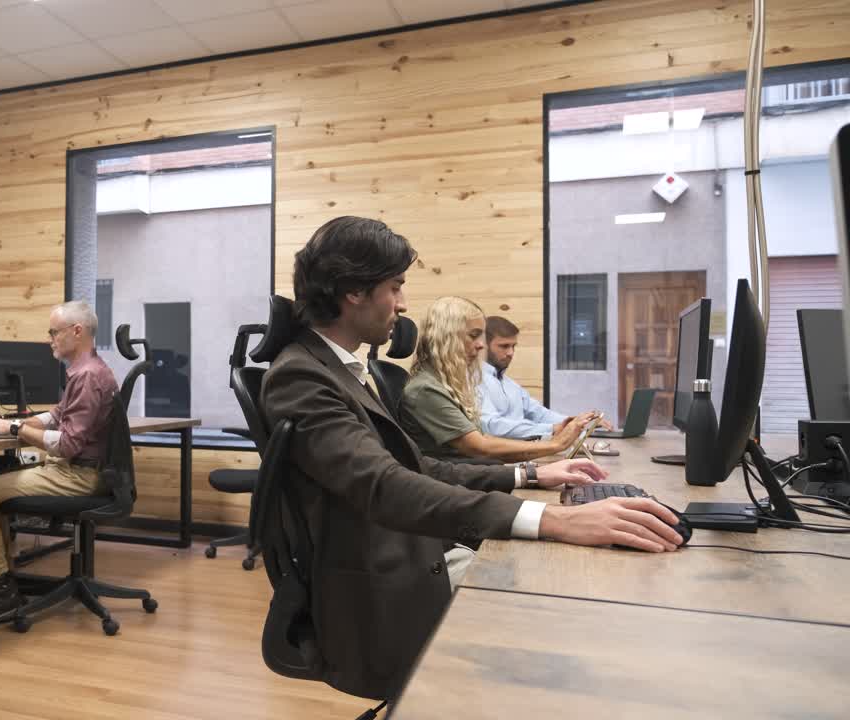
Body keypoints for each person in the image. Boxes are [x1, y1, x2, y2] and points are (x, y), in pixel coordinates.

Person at [259, 215, 686, 700]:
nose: (403, 304)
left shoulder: (345, 369)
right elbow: (385, 487)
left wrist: (529, 473)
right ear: (354, 290)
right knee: (574, 607)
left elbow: (418, 466)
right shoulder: (301, 378)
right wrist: (552, 520)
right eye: (395, 287)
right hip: (380, 589)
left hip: (415, 552)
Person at [0, 300, 118, 630]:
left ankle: (0, 588)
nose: (49, 339)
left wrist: (12, 429)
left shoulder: (86, 377)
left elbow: (68, 443)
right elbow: (57, 416)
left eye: (54, 332)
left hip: (80, 474)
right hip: (86, 469)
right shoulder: (91, 370)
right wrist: (13, 420)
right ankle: (1, 579)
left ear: (77, 331)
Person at [398, 298, 589, 462]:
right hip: (457, 484)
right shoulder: (425, 388)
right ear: (446, 337)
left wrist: (554, 438)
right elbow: (480, 446)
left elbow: (484, 439)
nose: (481, 345)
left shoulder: (443, 383)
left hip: (472, 472)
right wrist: (554, 444)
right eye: (473, 336)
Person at [480, 315, 611, 439]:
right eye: (504, 346)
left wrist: (577, 423)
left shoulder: (510, 385)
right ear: (483, 346)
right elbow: (491, 427)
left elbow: (540, 414)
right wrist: (552, 429)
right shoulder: (474, 381)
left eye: (513, 346)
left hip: (521, 453)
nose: (510, 353)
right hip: (498, 458)